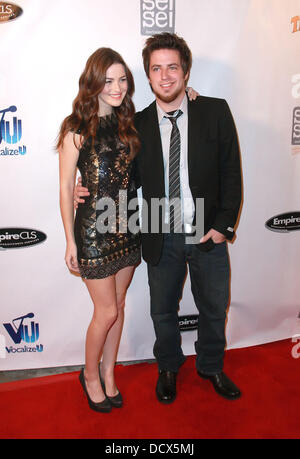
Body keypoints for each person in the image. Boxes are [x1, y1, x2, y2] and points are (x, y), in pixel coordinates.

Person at [75, 33, 242, 403]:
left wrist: (222, 225)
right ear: (148, 77)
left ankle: (211, 366)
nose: (165, 76)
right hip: (158, 228)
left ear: (185, 71)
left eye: (172, 67)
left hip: (206, 230)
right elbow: (115, 171)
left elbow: (231, 172)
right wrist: (80, 187)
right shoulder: (136, 125)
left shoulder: (214, 110)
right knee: (162, 310)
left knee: (214, 307)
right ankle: (167, 367)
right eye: (156, 69)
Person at [57, 48, 141, 412]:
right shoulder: (75, 128)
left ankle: (109, 372)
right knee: (105, 312)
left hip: (130, 225)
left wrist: (192, 94)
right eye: (108, 80)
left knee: (119, 306)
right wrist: (69, 240)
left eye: (122, 79)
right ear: (93, 82)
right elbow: (64, 188)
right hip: (93, 229)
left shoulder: (131, 122)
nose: (117, 87)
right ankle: (89, 375)